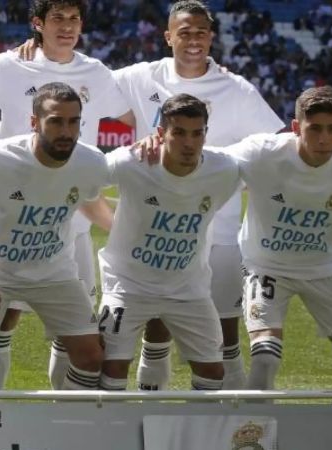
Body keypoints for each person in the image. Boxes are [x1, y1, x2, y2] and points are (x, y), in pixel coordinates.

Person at [112, 0, 284, 390]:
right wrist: (35, 48)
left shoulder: (236, 90)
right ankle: (150, 416)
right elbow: (82, 82)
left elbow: (275, 147)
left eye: (201, 32)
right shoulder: (141, 77)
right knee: (155, 334)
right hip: (154, 232)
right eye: (184, 32)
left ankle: (237, 425)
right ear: (168, 36)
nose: (193, 40)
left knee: (225, 334)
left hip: (218, 231)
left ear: (211, 37)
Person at [0, 0, 130, 390]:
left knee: (75, 326)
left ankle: (63, 417)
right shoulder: (9, 66)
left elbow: (133, 114)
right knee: (1, 320)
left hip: (72, 219)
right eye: (57, 18)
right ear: (37, 24)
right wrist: (0, 141)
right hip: (8, 219)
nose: (67, 26)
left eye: (74, 19)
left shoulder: (95, 72)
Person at [0, 82, 112, 391]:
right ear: (34, 122)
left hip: (55, 275)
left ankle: (62, 431)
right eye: (56, 121)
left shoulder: (91, 162)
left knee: (92, 358)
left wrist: (118, 228)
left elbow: (91, 199)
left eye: (74, 122)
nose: (66, 131)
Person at [227, 87, 332, 390]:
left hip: (325, 270)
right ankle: (251, 433)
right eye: (315, 129)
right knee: (265, 358)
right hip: (266, 267)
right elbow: (210, 162)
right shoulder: (262, 153)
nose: (325, 138)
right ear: (297, 128)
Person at [97, 94, 240, 392]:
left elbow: (272, 157)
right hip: (128, 285)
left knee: (213, 371)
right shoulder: (131, 162)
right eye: (179, 133)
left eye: (197, 133)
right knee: (111, 368)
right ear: (161, 134)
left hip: (188, 289)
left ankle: (197, 437)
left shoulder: (225, 169)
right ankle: (113, 434)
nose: (189, 143)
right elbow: (82, 176)